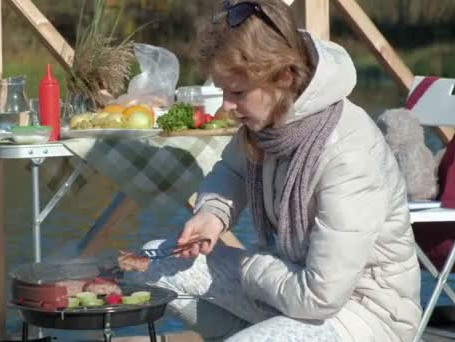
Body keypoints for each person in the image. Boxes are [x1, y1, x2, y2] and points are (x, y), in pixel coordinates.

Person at [127, 0, 422, 341]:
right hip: (290, 284)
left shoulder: (347, 153)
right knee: (155, 264)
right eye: (223, 91)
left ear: (284, 76)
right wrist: (213, 213)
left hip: (363, 314)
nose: (227, 107)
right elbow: (233, 172)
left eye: (237, 92)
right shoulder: (271, 120)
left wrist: (250, 265)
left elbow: (319, 296)